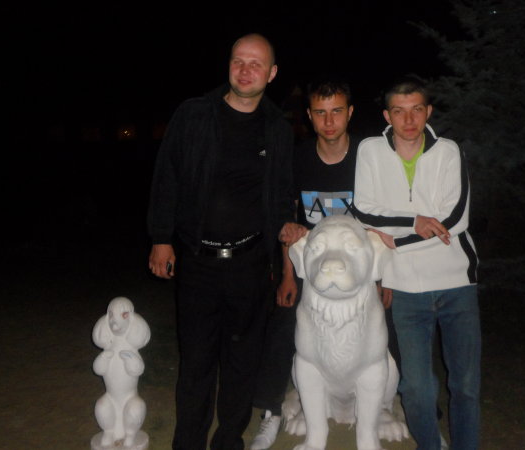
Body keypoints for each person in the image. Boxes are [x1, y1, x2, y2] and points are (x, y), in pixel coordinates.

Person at [146, 33, 305, 450]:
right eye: (239, 61)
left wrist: (286, 230)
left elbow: (282, 193)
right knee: (196, 360)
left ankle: (229, 439)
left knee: (242, 361)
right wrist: (161, 238)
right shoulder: (194, 115)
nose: (246, 70)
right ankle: (188, 442)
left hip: (251, 263)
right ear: (229, 65)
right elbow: (167, 177)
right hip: (198, 261)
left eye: (256, 64)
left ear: (271, 73)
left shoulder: (277, 128)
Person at [352, 76, 481, 449]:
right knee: (416, 388)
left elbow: (456, 220)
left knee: (466, 385)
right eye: (399, 111)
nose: (408, 120)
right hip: (406, 288)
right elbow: (363, 210)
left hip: (457, 283)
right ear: (387, 115)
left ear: (428, 112)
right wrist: (415, 221)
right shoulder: (370, 151)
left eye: (416, 110)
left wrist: (396, 239)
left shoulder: (449, 152)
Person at [250, 78, 360, 449]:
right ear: (310, 117)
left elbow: (381, 223)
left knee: (393, 324)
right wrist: (287, 274)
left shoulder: (368, 158)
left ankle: (415, 413)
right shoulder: (297, 158)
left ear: (350, 113)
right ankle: (271, 411)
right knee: (283, 325)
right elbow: (288, 221)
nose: (329, 121)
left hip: (357, 271)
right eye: (320, 113)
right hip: (308, 266)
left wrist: (383, 279)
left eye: (336, 112)